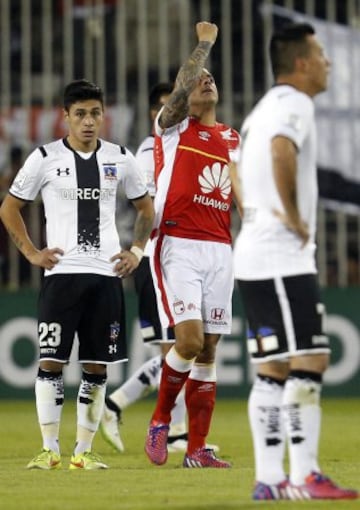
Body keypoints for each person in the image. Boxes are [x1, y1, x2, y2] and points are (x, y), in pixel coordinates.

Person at [0, 79, 154, 470]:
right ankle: (49, 448)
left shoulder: (120, 157)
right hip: (62, 277)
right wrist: (33, 253)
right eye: (81, 114)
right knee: (51, 361)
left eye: (95, 113)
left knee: (96, 367)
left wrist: (136, 251)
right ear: (65, 116)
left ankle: (82, 452)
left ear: (104, 116)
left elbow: (147, 209)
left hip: (105, 277)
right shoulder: (44, 157)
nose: (89, 122)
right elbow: (9, 208)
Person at [232, 23, 358, 499]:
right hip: (281, 255)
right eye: (321, 53)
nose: (328, 61)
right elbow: (280, 150)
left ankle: (268, 479)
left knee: (273, 367)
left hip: (257, 251)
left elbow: (237, 164)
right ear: (301, 63)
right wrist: (291, 215)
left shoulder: (263, 107)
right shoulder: (294, 104)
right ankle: (304, 475)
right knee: (311, 357)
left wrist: (254, 214)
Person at [100, 82, 219, 454]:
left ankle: (133, 411)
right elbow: (147, 206)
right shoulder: (151, 148)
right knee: (179, 346)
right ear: (159, 111)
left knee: (182, 347)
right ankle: (157, 422)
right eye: (170, 107)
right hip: (155, 255)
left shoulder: (194, 140)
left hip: (181, 252)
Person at [144, 21, 241, 469]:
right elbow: (183, 89)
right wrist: (205, 45)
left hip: (220, 246)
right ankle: (161, 419)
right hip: (178, 242)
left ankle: (198, 449)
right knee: (188, 338)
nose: (207, 82)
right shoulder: (171, 128)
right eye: (200, 80)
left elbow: (237, 187)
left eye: (212, 80)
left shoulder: (229, 137)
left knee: (209, 349)